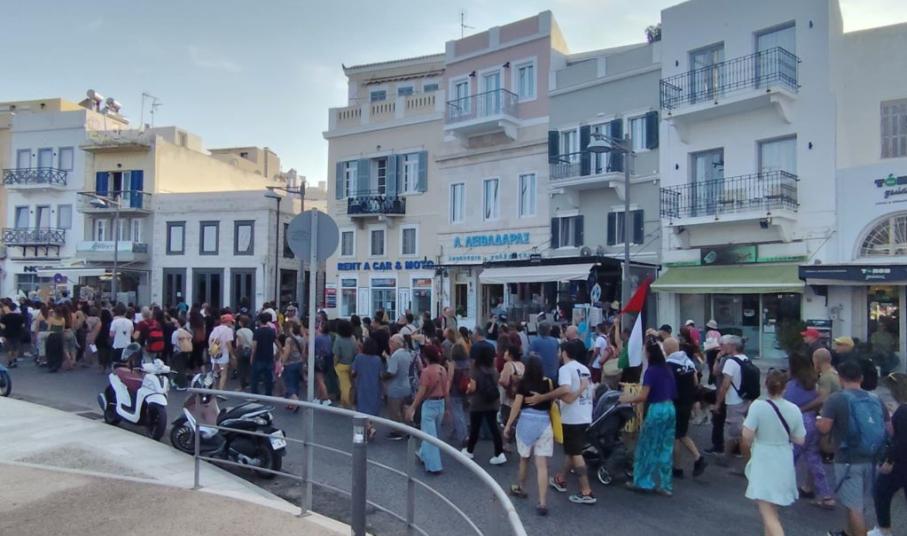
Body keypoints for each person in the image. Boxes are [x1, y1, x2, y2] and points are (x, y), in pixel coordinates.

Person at [818, 360, 890, 536]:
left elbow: (825, 428)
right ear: (861, 378)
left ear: (841, 378)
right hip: (872, 459)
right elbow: (889, 429)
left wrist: (818, 422)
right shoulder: (876, 399)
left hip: (847, 459)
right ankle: (848, 533)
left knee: (853, 507)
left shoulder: (836, 399)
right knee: (860, 504)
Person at [526, 339, 596, 505]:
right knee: (572, 449)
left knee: (576, 453)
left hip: (572, 416)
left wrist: (544, 397)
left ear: (564, 353)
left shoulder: (565, 369)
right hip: (585, 414)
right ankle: (561, 478)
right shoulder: (584, 368)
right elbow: (589, 391)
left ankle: (586, 491)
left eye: (559, 351)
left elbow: (565, 389)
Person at [743, 369, 807, 536]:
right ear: (785, 388)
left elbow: (747, 435)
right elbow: (800, 439)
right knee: (773, 510)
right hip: (783, 457)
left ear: (766, 386)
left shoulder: (758, 406)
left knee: (768, 514)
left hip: (763, 457)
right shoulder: (794, 409)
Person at [623, 338, 678, 496]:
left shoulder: (651, 371)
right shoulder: (667, 369)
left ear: (648, 354)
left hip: (657, 409)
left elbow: (643, 396)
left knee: (647, 445)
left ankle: (642, 481)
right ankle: (666, 485)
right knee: (666, 446)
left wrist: (626, 399)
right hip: (670, 408)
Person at [503, 356, 554, 516]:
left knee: (524, 459)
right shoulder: (548, 383)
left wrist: (508, 425)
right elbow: (551, 403)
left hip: (526, 423)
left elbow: (517, 405)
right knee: (542, 465)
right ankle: (542, 502)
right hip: (544, 423)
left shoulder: (523, 384)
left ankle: (521, 487)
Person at [784, 354, 835, 509]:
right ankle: (826, 495)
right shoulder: (813, 384)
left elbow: (786, 405)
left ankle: (780, 490)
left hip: (797, 424)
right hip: (812, 422)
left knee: (788, 458)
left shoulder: (792, 385)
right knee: (814, 460)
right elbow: (821, 400)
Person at [869, 372, 907, 536]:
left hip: (901, 462)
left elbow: (901, 440)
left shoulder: (903, 410)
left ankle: (884, 529)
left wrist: (889, 460)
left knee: (881, 491)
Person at [664, 337, 707, 479]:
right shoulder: (688, 362)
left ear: (667, 349)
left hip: (675, 403)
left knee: (677, 435)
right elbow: (695, 381)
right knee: (680, 434)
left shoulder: (669, 365)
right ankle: (682, 465)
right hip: (687, 402)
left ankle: (689, 462)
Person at [713, 334, 755, 470]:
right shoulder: (746, 359)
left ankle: (746, 464)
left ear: (732, 346)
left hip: (733, 400)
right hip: (746, 398)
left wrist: (718, 403)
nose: (723, 347)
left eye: (726, 345)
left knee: (735, 433)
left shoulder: (731, 362)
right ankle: (727, 456)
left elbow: (725, 385)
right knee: (736, 431)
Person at [462, 340, 507, 466]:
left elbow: (473, 388)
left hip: (478, 403)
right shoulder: (494, 370)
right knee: (494, 428)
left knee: (475, 429)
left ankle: (470, 450)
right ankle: (499, 453)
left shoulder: (475, 370)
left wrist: (468, 390)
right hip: (492, 402)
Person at [406, 344, 449, 474]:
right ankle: (423, 454)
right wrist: (448, 407)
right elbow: (446, 390)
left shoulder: (426, 372)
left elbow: (421, 392)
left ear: (426, 357)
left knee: (429, 436)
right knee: (434, 433)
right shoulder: (442, 369)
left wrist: (412, 407)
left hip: (430, 404)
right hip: (441, 403)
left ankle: (434, 466)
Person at [353, 337, 384, 441]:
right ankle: (369, 427)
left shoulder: (359, 358)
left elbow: (353, 372)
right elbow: (381, 375)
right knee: (372, 409)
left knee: (361, 409)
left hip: (362, 386)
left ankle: (368, 430)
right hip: (375, 387)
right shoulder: (378, 359)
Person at [384, 334, 414, 440]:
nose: (390, 344)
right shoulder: (407, 353)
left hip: (395, 388)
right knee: (405, 410)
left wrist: (382, 377)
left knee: (395, 411)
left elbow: (392, 372)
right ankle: (409, 430)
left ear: (397, 343)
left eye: (391, 342)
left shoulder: (396, 356)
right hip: (406, 385)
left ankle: (398, 432)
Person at [499, 344, 525, 454]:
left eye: (506, 351)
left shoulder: (508, 365)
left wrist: (499, 381)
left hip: (508, 398)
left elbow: (504, 381)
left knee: (506, 421)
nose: (504, 353)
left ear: (510, 354)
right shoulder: (522, 365)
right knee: (515, 420)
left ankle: (505, 444)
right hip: (518, 397)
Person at [446, 328, 470, 447]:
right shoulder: (468, 363)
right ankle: (457, 431)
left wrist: (446, 391)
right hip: (466, 389)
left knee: (457, 413)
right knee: (463, 412)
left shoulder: (453, 364)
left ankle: (463, 436)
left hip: (455, 390)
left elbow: (450, 378)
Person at [250, 313, 277, 396]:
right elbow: (277, 342)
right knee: (268, 377)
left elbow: (254, 346)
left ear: (260, 321)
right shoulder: (272, 331)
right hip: (269, 357)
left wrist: (251, 357)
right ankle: (268, 394)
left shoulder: (257, 331)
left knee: (255, 378)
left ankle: (254, 394)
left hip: (258, 357)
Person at [333, 319, 357, 408]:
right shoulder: (353, 338)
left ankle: (348, 404)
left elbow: (336, 354)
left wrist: (334, 364)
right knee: (349, 384)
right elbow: (355, 351)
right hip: (351, 364)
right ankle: (344, 403)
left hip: (341, 365)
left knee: (345, 386)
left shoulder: (338, 339)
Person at [279, 325, 305, 410]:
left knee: (289, 384)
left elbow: (287, 352)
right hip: (299, 362)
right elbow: (303, 352)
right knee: (296, 384)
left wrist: (282, 361)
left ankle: (296, 402)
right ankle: (291, 403)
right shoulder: (302, 339)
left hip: (290, 364)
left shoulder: (289, 340)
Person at [208, 314, 235, 390]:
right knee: (223, 373)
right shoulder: (228, 330)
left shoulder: (215, 329)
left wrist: (212, 350)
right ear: (228, 321)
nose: (232, 323)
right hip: (223, 355)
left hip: (214, 353)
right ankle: (220, 391)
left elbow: (210, 340)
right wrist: (232, 354)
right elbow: (228, 343)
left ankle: (213, 389)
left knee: (215, 373)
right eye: (231, 322)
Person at [313, 322, 334, 405]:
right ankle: (318, 398)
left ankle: (326, 398)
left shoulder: (317, 338)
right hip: (327, 359)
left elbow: (313, 347)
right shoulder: (328, 337)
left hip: (319, 360)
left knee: (320, 380)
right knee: (321, 379)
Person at [1, 302, 25, 367]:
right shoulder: (20, 316)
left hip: (7, 334)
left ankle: (10, 362)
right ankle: (15, 360)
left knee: (9, 349)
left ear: (9, 308)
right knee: (16, 348)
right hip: (17, 334)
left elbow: (2, 327)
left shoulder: (5, 317)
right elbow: (23, 326)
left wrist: (2, 334)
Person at [234, 315, 254, 392]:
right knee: (248, 368)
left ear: (241, 323)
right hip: (250, 350)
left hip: (242, 351)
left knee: (241, 369)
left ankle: (242, 386)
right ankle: (250, 384)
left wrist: (236, 351)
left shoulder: (239, 331)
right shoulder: (250, 331)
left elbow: (240, 343)